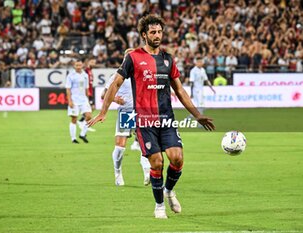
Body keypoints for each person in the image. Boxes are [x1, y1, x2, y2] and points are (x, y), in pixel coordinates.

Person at [88, 15, 215, 219]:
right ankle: (159, 206)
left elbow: (180, 90)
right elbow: (115, 85)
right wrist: (103, 112)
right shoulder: (133, 58)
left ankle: (168, 191)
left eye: (160, 32)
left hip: (166, 118)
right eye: (153, 32)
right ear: (144, 35)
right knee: (156, 163)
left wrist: (197, 115)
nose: (157, 35)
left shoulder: (168, 59)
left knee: (177, 158)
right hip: (145, 121)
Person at [101, 48, 151, 186]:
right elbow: (103, 95)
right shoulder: (117, 75)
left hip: (142, 112)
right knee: (121, 145)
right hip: (126, 113)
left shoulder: (142, 74)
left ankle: (147, 173)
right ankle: (118, 173)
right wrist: (116, 100)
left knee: (146, 143)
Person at [66, 60, 92, 143]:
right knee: (74, 119)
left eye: (80, 65)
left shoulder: (85, 75)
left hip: (84, 99)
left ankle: (82, 134)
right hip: (74, 100)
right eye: (77, 65)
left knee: (89, 116)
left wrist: (88, 100)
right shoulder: (71, 75)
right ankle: (73, 138)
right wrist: (70, 101)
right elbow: (68, 89)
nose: (78, 67)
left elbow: (86, 88)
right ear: (74, 66)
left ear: (82, 65)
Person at [78, 58, 96, 132]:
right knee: (90, 108)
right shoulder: (85, 71)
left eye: (94, 62)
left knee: (92, 108)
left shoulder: (90, 71)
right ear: (88, 62)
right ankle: (83, 123)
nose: (94, 63)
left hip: (90, 92)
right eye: (92, 62)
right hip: (87, 92)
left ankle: (82, 121)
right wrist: (85, 92)